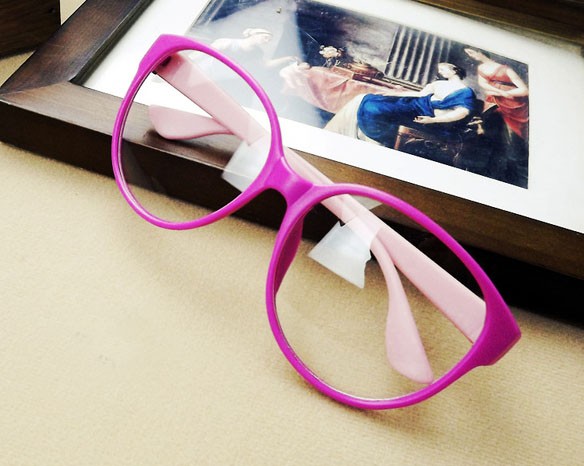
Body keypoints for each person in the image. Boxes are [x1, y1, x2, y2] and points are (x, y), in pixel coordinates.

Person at [325, 63, 478, 147]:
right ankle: (360, 135)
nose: (440, 72)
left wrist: (433, 120)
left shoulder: (465, 91)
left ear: (454, 70)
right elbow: (420, 95)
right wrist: (394, 94)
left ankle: (373, 140)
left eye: (443, 69)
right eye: (440, 70)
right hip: (415, 104)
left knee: (375, 108)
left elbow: (462, 112)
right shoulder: (438, 84)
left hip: (427, 115)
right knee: (368, 99)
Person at [464, 48, 528, 140]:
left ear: (479, 51)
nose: (470, 56)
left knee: (513, 132)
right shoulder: (481, 68)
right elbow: (483, 83)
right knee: (494, 126)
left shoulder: (506, 69)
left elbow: (524, 90)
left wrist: (502, 93)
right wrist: (498, 92)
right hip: (494, 100)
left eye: (471, 52)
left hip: (511, 103)